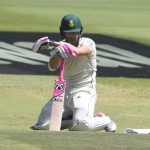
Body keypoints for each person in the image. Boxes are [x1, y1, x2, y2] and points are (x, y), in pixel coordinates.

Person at [31, 14, 117, 132]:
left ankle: (106, 120)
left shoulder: (88, 43)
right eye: (68, 32)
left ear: (80, 31)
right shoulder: (60, 47)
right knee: (42, 125)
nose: (72, 36)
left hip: (84, 90)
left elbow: (78, 51)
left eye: (75, 32)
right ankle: (78, 118)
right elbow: (52, 66)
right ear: (63, 32)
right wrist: (57, 53)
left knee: (81, 125)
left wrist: (54, 43)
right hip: (64, 92)